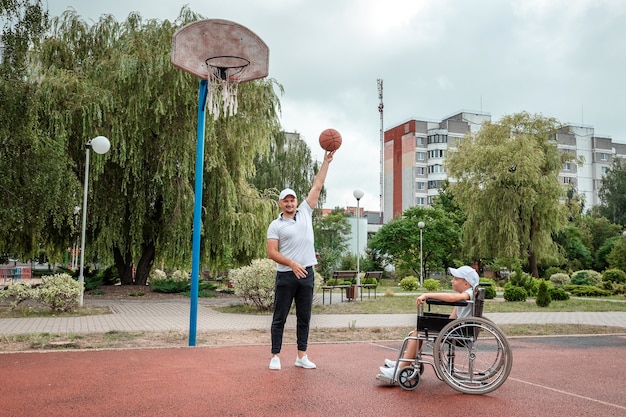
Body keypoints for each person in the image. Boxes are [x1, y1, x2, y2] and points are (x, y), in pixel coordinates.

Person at [266, 150, 335, 370]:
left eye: (292, 199)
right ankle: (275, 356)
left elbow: (318, 184)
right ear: (280, 204)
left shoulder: (306, 211)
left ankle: (301, 356)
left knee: (304, 318)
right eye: (285, 200)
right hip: (286, 275)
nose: (289, 203)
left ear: (297, 201)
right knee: (280, 317)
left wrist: (326, 161)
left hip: (306, 274)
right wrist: (292, 264)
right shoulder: (275, 225)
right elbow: (271, 252)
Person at [378, 265, 479, 380]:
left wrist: (427, 295)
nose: (452, 281)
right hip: (458, 329)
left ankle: (400, 369)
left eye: (456, 279)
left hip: (461, 332)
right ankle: (404, 362)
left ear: (466, 283)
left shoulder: (469, 293)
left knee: (418, 333)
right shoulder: (467, 295)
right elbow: (452, 317)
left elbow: (451, 298)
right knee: (418, 331)